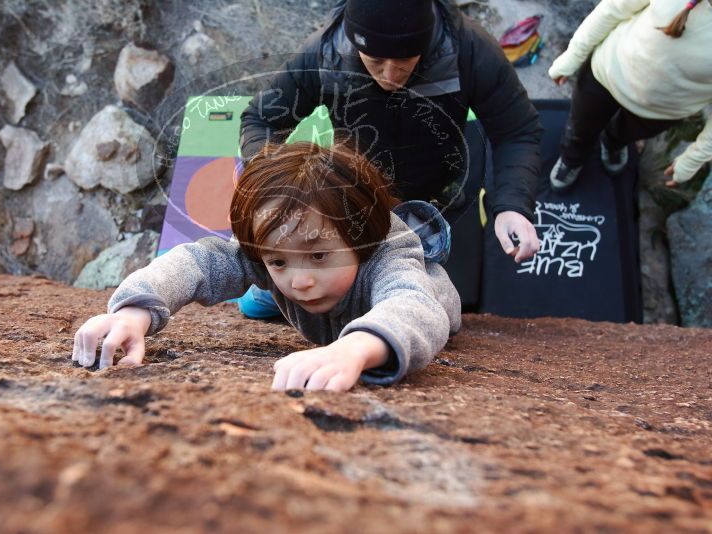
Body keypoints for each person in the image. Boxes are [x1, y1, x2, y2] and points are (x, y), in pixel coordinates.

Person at [71, 141, 461, 392]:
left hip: (420, 297)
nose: (301, 281)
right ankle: (265, 290)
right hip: (302, 301)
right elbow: (199, 261)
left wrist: (355, 348)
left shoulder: (388, 256)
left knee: (270, 294)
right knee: (255, 301)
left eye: (319, 255)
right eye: (277, 260)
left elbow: (412, 304)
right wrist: (135, 310)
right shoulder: (278, 251)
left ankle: (268, 292)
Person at [236, 0, 543, 318]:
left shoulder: (468, 48)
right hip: (350, 208)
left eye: (405, 61)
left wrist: (511, 206)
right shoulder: (324, 52)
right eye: (376, 61)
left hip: (426, 214)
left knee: (417, 307)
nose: (390, 75)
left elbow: (516, 130)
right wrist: (273, 192)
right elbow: (261, 118)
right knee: (257, 305)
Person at [548, 0, 712, 192]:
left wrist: (693, 159)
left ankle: (612, 144)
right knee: (580, 130)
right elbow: (613, 8)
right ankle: (572, 159)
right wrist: (573, 55)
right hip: (605, 74)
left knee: (622, 135)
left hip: (660, 112)